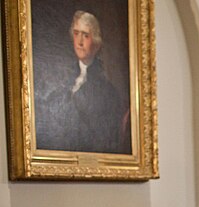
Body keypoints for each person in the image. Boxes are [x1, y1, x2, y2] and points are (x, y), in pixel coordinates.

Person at [35, 10, 129, 154]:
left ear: (96, 44)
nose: (79, 42)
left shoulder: (107, 91)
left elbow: (106, 138)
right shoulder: (63, 81)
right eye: (76, 34)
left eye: (86, 35)